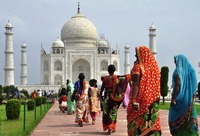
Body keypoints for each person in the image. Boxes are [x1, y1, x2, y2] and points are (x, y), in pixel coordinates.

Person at [127, 46, 161, 136]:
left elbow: (136, 84)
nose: (135, 56)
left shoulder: (138, 67)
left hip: (140, 99)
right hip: (152, 100)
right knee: (150, 122)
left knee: (136, 124)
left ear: (141, 55)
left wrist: (134, 99)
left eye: (137, 55)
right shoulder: (154, 68)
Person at [168, 54, 199, 135]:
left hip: (180, 100)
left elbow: (177, 84)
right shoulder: (191, 71)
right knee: (189, 120)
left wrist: (173, 99)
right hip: (189, 101)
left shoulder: (178, 71)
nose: (175, 63)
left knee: (174, 119)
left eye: (176, 61)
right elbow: (194, 85)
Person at [100, 64, 130, 135]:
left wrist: (100, 95)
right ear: (114, 70)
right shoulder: (117, 78)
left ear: (108, 70)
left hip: (107, 96)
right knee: (113, 111)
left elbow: (102, 88)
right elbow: (124, 80)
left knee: (106, 112)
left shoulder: (105, 78)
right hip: (114, 97)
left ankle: (109, 127)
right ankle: (113, 127)